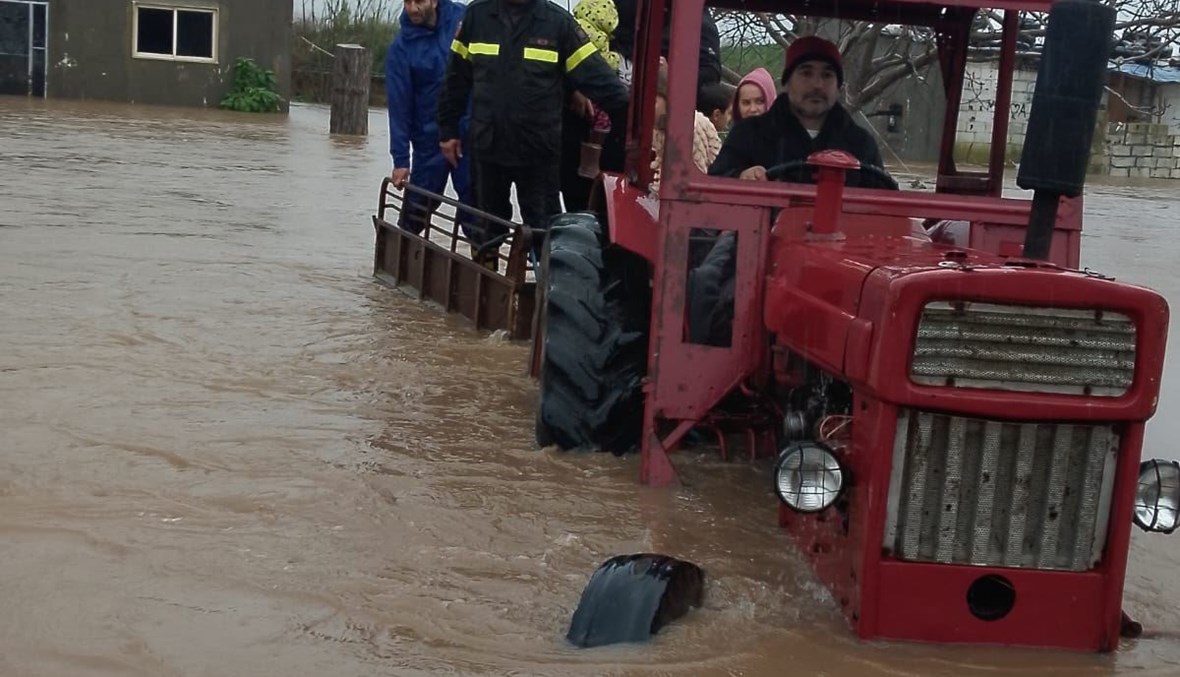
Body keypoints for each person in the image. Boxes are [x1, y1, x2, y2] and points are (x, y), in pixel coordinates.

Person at [437, 0, 630, 268]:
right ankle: (485, 290)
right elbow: (455, 78)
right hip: (488, 146)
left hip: (538, 153)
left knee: (544, 231)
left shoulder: (558, 23)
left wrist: (635, 119)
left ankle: (545, 293)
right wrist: (448, 130)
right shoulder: (477, 16)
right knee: (486, 231)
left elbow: (599, 79)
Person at [708, 36, 892, 189]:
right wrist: (740, 176)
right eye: (806, 73)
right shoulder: (748, 134)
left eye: (827, 75)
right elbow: (714, 188)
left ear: (838, 87)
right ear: (787, 82)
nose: (817, 85)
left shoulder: (861, 144)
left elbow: (884, 205)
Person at [386, 0, 475, 237]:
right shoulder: (401, 48)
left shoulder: (465, 19)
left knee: (476, 204)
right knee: (419, 202)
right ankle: (402, 251)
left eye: (419, 1)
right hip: (429, 140)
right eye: (407, 2)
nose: (413, 8)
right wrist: (401, 160)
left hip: (470, 134)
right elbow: (399, 107)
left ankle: (485, 261)